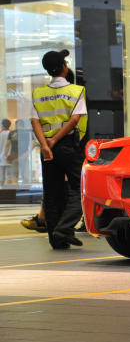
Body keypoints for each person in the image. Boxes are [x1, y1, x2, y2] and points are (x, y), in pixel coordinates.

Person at [31, 49, 88, 249]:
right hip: (67, 146)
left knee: (52, 193)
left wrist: (46, 144)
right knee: (84, 188)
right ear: (64, 67)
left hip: (47, 148)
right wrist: (55, 140)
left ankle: (57, 240)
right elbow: (74, 120)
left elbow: (35, 121)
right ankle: (64, 228)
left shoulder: (38, 93)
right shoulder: (75, 91)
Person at [0, 119, 11, 186]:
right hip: (9, 156)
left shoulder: (0, 133)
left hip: (1, 157)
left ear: (2, 125)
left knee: (1, 176)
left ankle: (2, 190)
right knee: (9, 176)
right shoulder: (11, 133)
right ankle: (9, 191)